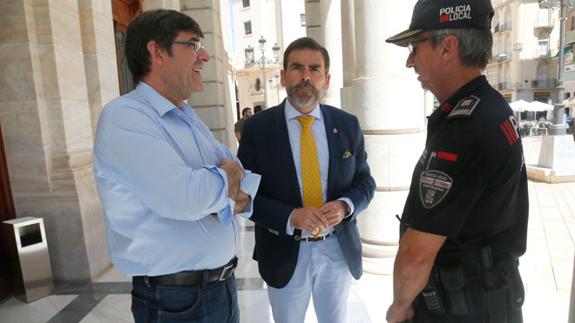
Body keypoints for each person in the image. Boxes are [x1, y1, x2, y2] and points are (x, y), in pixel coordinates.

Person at [92, 9, 260, 323]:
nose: (205, 56)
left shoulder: (186, 116)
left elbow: (245, 181)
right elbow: (187, 198)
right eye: (194, 44)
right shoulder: (125, 117)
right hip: (176, 302)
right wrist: (226, 182)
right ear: (156, 52)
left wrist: (223, 185)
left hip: (221, 288)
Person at [385, 0, 528, 322]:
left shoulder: (466, 127)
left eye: (415, 46)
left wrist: (399, 308)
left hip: (460, 307)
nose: (410, 61)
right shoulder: (489, 108)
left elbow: (416, 254)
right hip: (483, 299)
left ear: (447, 48)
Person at [237, 37, 376, 323]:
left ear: (326, 78)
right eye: (297, 68)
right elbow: (244, 196)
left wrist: (345, 206)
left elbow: (365, 182)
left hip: (336, 250)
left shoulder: (347, 124)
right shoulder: (257, 129)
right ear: (283, 75)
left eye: (314, 69)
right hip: (283, 252)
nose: (305, 77)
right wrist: (290, 216)